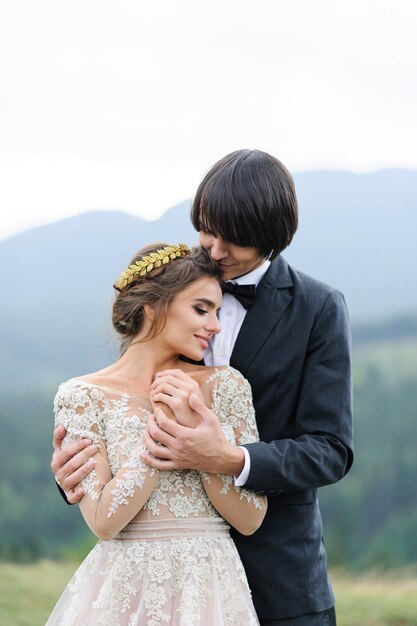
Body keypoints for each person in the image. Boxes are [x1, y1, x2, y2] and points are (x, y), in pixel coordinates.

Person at [52, 149, 354, 626]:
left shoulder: (318, 308)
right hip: (152, 583)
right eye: (207, 230)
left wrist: (231, 459)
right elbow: (119, 408)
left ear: (272, 239)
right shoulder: (179, 288)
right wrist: (77, 473)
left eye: (232, 240)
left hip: (281, 580)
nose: (214, 250)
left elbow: (331, 448)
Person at [47, 242, 267, 626]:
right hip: (123, 592)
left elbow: (250, 518)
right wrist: (166, 426)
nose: (214, 325)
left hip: (211, 589)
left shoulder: (227, 386)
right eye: (201, 309)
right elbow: (103, 520)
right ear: (152, 305)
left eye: (217, 312)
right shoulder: (81, 396)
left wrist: (197, 434)